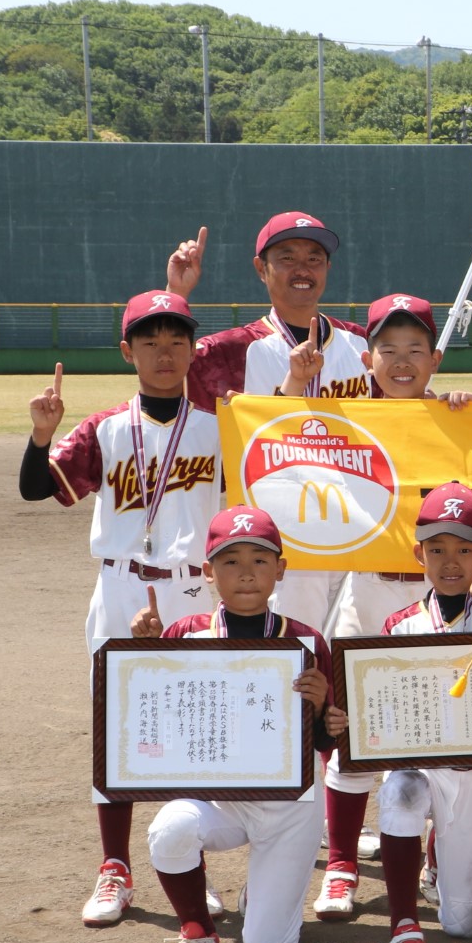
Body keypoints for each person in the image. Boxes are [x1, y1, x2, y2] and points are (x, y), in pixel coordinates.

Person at [20, 290, 222, 929]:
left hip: (194, 585)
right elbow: (36, 487)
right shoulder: (105, 427)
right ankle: (115, 868)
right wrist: (40, 435)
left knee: (195, 723)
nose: (165, 354)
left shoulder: (223, 424)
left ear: (192, 349)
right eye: (150, 342)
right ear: (127, 351)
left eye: (176, 341)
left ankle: (191, 864)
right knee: (116, 724)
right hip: (121, 584)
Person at [130, 506, 344, 943]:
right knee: (169, 829)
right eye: (230, 561)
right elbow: (159, 721)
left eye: (260, 560)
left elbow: (330, 740)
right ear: (207, 572)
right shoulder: (185, 635)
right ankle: (197, 935)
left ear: (281, 569)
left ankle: (264, 892)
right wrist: (142, 651)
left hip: (288, 806)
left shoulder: (307, 641)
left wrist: (322, 711)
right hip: (218, 799)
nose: (246, 572)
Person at [319, 483, 472, 943]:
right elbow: (381, 710)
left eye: (465, 550)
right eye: (438, 549)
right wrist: (348, 725)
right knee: (400, 792)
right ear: (418, 554)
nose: (451, 562)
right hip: (421, 765)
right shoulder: (399, 624)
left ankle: (444, 879)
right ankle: (404, 925)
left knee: (466, 924)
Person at [311, 294, 472, 869]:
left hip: (441, 595)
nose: (401, 360)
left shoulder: (459, 421)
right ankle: (341, 866)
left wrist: (470, 420)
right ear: (367, 360)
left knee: (442, 731)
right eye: (388, 349)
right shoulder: (346, 424)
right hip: (371, 587)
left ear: (436, 360)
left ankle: (435, 861)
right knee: (352, 733)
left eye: (415, 349)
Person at [168, 212, 367, 630]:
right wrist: (175, 293)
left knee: (352, 657)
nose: (303, 269)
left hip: (360, 529)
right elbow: (161, 363)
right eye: (287, 257)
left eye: (315, 258)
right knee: (291, 655)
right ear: (262, 268)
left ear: (328, 268)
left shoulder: (361, 344)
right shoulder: (229, 350)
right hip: (282, 535)